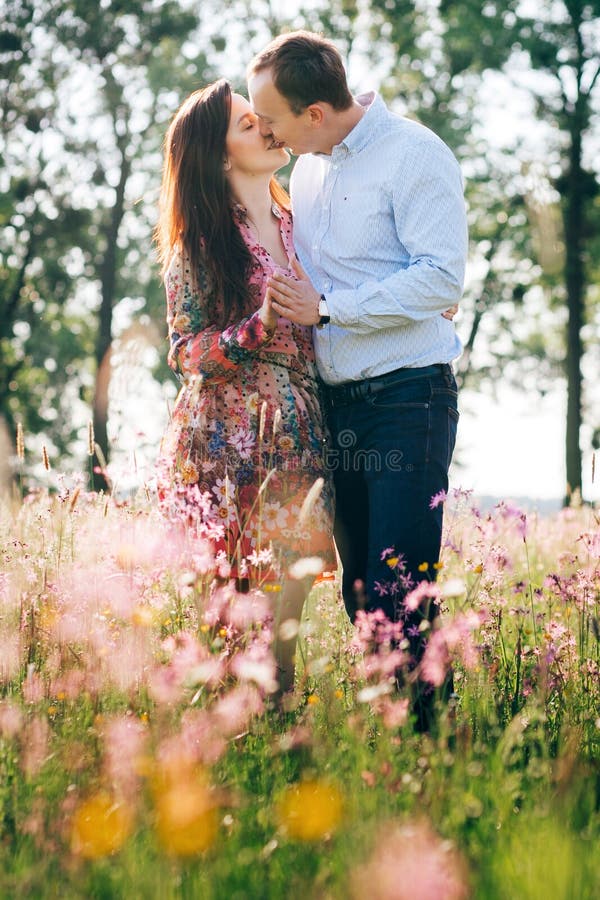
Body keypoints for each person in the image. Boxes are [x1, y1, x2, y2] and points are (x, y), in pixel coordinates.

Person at [248, 32, 468, 730]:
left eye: (272, 117)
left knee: (399, 586)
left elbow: (440, 276)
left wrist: (335, 308)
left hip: (408, 398)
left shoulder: (415, 153)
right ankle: (395, 739)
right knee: (360, 592)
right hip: (334, 407)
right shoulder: (307, 171)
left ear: (315, 111)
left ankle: (431, 752)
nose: (264, 129)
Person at [154, 79, 335, 698]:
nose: (264, 124)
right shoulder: (203, 242)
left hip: (301, 436)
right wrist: (254, 329)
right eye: (245, 123)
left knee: (287, 614)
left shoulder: (305, 222)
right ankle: (230, 752)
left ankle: (279, 738)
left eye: (261, 116)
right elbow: (185, 351)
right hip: (223, 442)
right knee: (234, 622)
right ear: (221, 154)